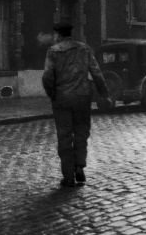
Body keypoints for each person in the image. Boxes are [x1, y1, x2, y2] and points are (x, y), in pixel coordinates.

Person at [42, 20, 112, 188]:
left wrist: (53, 94)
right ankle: (80, 166)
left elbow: (47, 77)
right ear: (70, 34)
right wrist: (105, 94)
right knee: (81, 133)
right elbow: (97, 73)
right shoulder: (84, 49)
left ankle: (68, 177)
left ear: (58, 35)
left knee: (65, 136)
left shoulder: (53, 52)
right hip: (82, 98)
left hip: (63, 99)